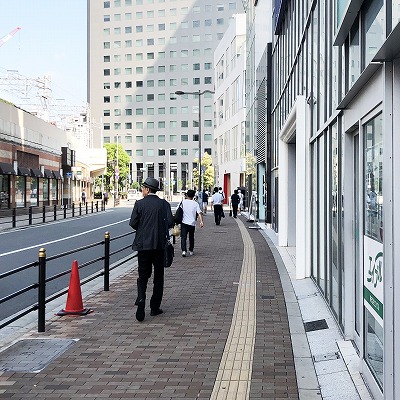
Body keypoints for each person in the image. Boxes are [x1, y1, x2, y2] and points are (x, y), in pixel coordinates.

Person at [129, 177, 174, 322]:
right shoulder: (163, 204)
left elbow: (133, 223)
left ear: (147, 189)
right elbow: (171, 222)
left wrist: (143, 229)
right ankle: (155, 307)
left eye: (143, 188)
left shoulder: (139, 204)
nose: (142, 190)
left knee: (143, 275)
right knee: (158, 277)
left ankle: (141, 299)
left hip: (143, 245)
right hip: (159, 246)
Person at [180, 189, 204, 257]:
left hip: (184, 222)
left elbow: (178, 210)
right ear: (193, 196)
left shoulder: (183, 202)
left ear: (187, 195)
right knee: (191, 237)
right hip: (192, 223)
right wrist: (201, 222)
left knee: (183, 237)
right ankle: (191, 250)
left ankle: (184, 250)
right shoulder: (195, 203)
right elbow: (199, 213)